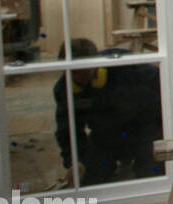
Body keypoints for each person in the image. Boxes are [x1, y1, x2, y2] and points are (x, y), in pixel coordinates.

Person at [54, 38, 165, 188]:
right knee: (88, 180)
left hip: (144, 131)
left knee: (153, 178)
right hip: (105, 137)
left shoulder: (122, 65)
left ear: (95, 62)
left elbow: (166, 81)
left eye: (85, 71)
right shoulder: (64, 89)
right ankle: (110, 165)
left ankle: (141, 163)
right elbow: (67, 129)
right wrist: (74, 161)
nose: (81, 78)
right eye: (74, 73)